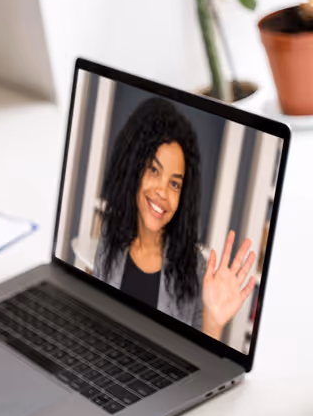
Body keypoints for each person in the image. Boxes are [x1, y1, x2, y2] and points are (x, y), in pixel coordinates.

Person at [93, 97, 256, 340]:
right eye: (154, 170)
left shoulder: (197, 271)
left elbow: (200, 369)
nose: (162, 192)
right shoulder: (110, 239)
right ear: (134, 170)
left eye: (175, 183)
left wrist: (213, 322)